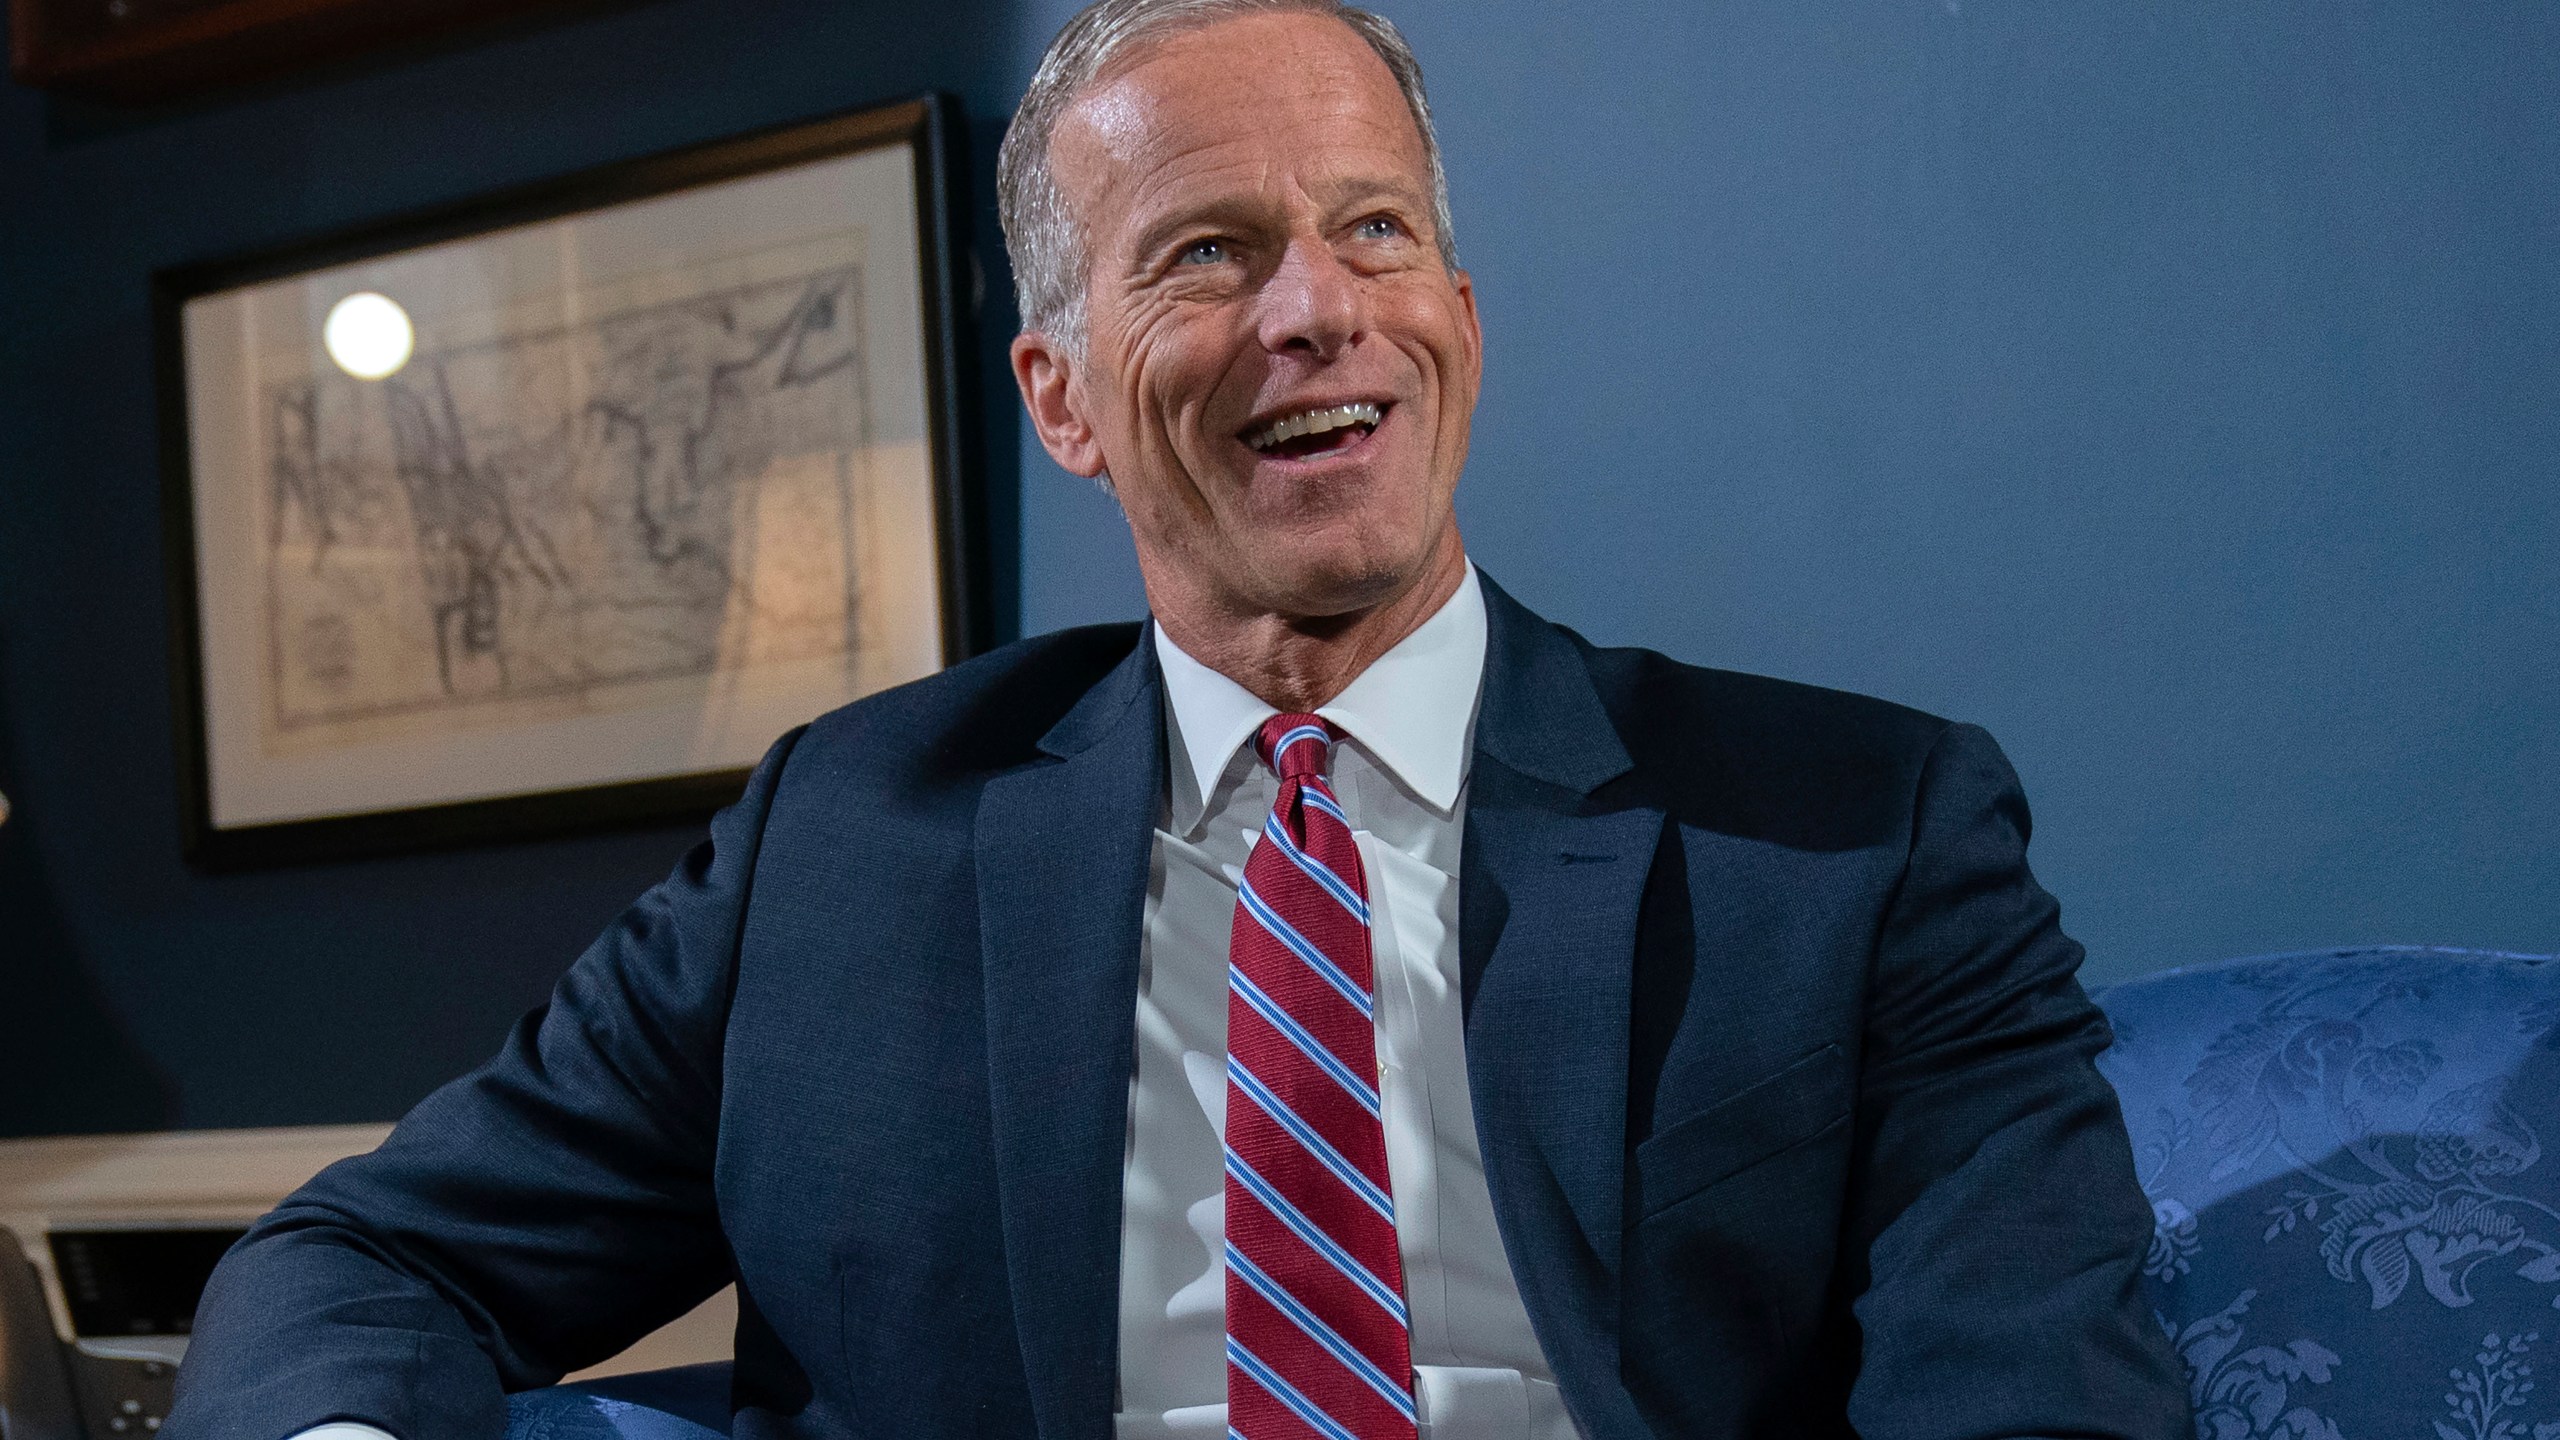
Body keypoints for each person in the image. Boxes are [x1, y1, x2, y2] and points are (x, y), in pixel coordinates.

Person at [167, 2, 2190, 1437]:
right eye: (1206, 255)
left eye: (1371, 228)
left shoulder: (1853, 831)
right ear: (1061, 397)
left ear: (1457, 329)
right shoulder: (842, 843)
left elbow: (2032, 1394)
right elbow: (365, 1263)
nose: (1313, 306)